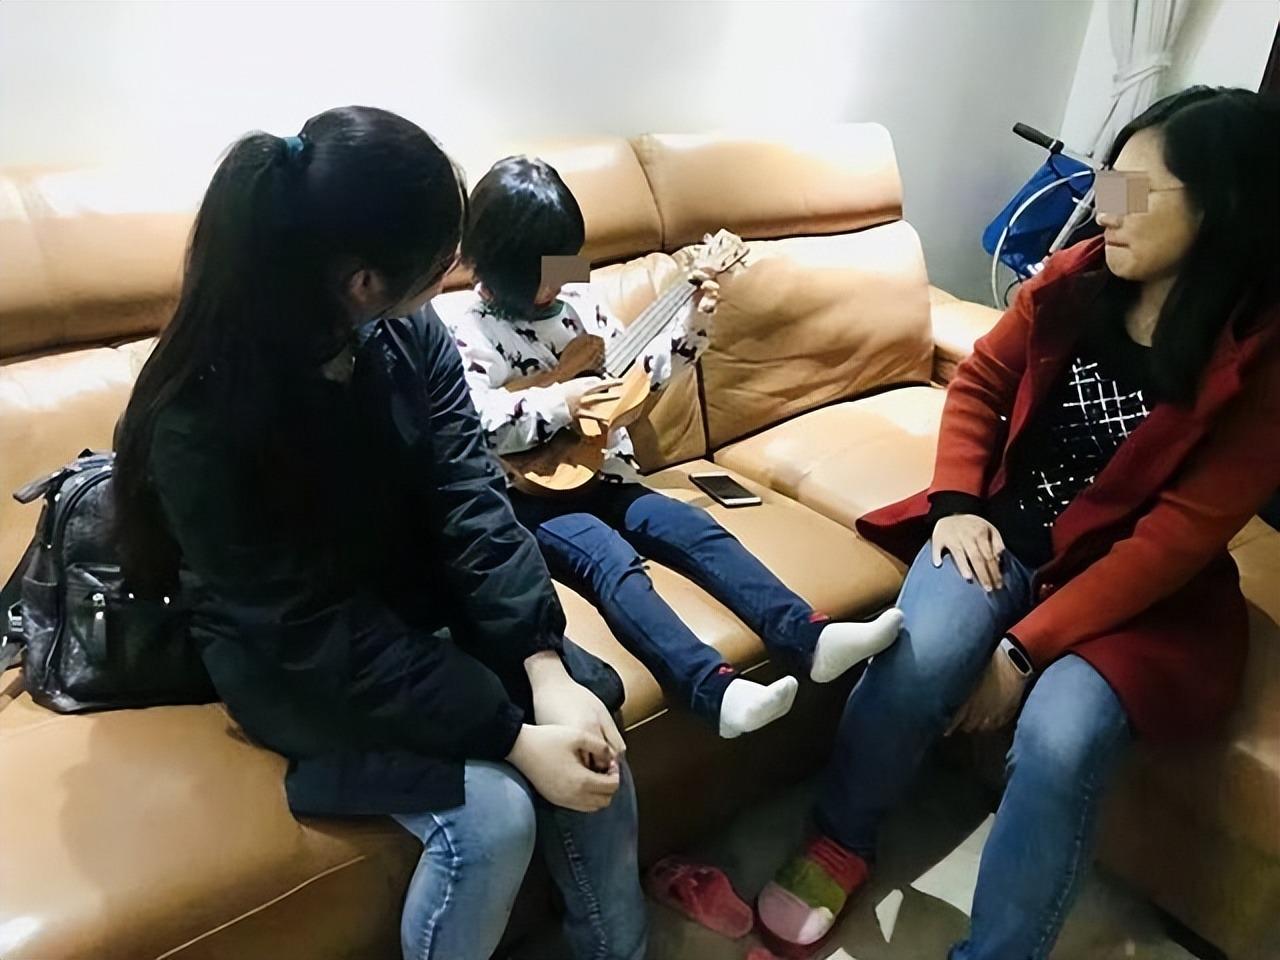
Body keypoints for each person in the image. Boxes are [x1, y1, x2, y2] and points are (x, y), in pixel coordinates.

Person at [758, 86, 1280, 959]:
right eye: (1108, 180)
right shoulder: (1078, 277)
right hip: (1007, 530)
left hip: (1140, 593)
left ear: (1221, 210)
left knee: (1061, 738)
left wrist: (1022, 653)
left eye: (1137, 191)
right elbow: (979, 384)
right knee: (916, 656)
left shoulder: (1261, 365)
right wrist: (958, 502)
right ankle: (840, 837)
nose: (1106, 207)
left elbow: (1168, 544)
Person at [113, 107, 646, 960]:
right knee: (494, 818)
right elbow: (306, 627)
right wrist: (509, 735)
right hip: (292, 659)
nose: (454, 277)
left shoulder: (407, 332)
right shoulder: (201, 416)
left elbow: (468, 491)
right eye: (440, 265)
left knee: (589, 721)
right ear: (363, 281)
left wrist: (540, 663)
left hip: (407, 602)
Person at [437, 156, 904, 740]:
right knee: (613, 562)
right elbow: (475, 423)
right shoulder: (465, 329)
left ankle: (811, 637)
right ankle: (715, 690)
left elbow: (633, 382)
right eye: (542, 273)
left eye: (562, 264)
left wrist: (690, 325)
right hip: (531, 500)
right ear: (498, 265)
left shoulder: (578, 297)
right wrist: (562, 402)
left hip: (604, 472)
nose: (557, 284)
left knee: (694, 528)